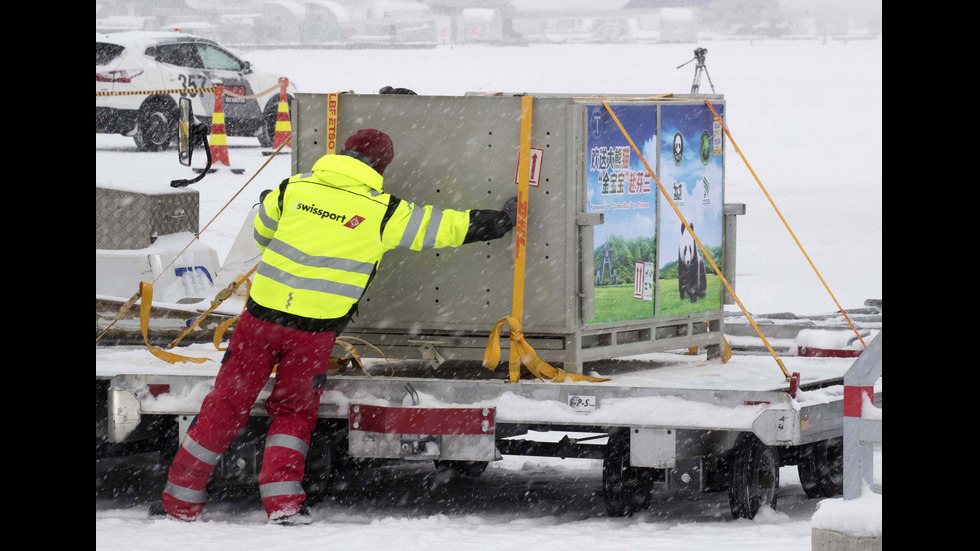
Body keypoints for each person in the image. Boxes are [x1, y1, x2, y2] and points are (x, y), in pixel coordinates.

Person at [157, 128, 517, 524]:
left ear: (342, 150)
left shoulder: (292, 188)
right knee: (292, 414)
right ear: (381, 166)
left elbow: (262, 235)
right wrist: (499, 221)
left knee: (225, 405)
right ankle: (283, 505)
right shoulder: (383, 211)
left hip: (259, 320)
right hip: (313, 333)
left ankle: (181, 501)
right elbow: (443, 227)